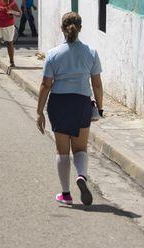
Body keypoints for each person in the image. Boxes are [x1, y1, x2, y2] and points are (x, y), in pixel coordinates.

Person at [36, 11, 103, 207]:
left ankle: (66, 193)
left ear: (62, 29)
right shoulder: (91, 52)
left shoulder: (53, 54)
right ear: (80, 28)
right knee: (81, 148)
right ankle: (81, 175)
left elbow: (46, 85)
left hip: (59, 103)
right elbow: (97, 84)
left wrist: (39, 111)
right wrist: (100, 107)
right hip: (81, 103)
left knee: (62, 150)